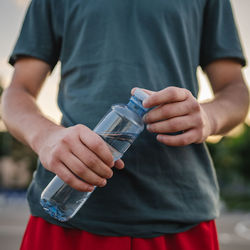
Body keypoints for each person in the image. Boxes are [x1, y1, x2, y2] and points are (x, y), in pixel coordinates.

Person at [2, 0, 249, 249]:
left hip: (179, 214)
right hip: (69, 209)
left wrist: (209, 118)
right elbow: (17, 92)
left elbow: (235, 90)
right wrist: (45, 136)